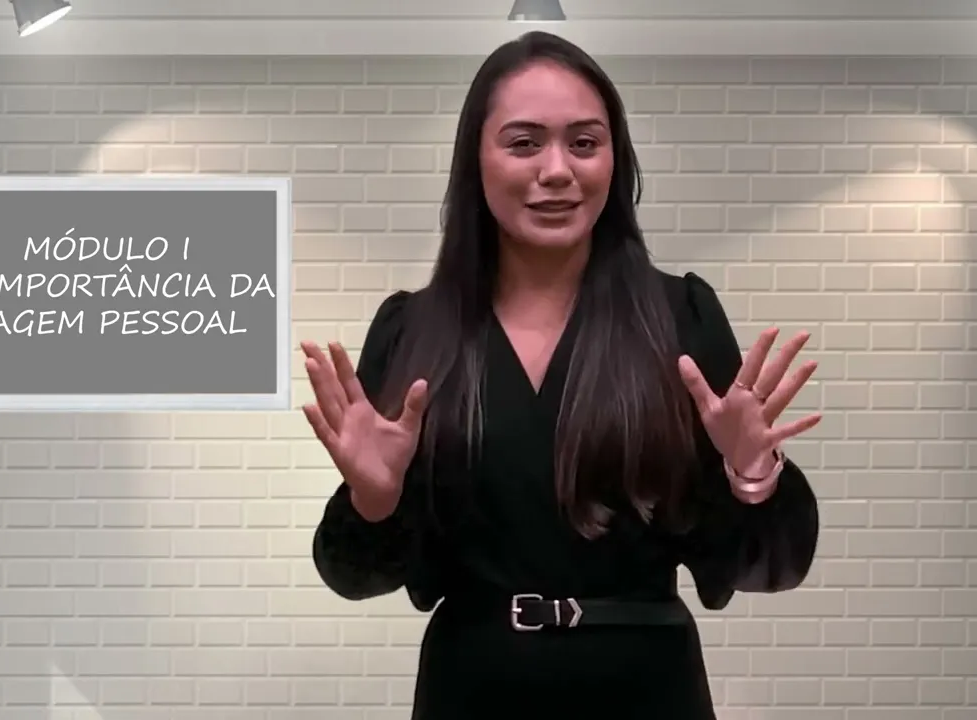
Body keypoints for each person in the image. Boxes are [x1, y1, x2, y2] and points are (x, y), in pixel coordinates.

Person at [301, 30, 822, 720]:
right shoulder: (412, 331)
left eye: (584, 143)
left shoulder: (680, 319)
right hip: (472, 689)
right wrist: (372, 499)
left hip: (647, 690)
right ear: (475, 161)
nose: (557, 170)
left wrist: (752, 475)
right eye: (524, 143)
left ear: (615, 158)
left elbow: (768, 568)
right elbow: (353, 574)